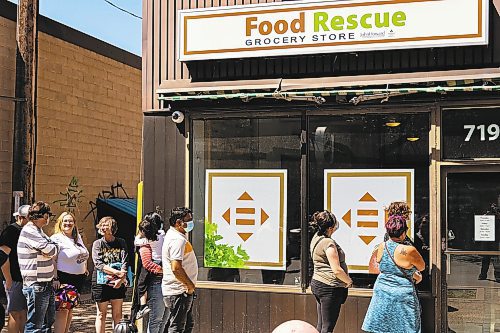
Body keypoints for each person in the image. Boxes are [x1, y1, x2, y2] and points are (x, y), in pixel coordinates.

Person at [362, 215, 426, 333]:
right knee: (405, 328)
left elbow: (383, 265)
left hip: (382, 292)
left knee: (383, 327)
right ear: (403, 232)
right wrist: (413, 273)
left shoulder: (382, 246)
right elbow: (421, 267)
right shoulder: (408, 250)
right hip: (402, 294)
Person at [17, 201, 59, 333]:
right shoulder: (30, 230)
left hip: (46, 282)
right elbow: (51, 250)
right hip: (36, 283)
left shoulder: (39, 231)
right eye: (47, 215)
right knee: (35, 326)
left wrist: (47, 250)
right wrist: (48, 250)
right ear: (45, 216)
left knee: (47, 323)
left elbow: (55, 248)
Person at [309, 210, 352, 333]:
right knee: (327, 327)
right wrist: (348, 281)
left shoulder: (316, 237)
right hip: (329, 287)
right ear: (330, 228)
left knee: (321, 324)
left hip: (318, 282)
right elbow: (336, 270)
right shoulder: (328, 243)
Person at [50, 212, 89, 333]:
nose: (68, 223)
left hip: (78, 280)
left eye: (70, 221)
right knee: (62, 311)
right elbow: (52, 259)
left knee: (70, 310)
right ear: (60, 223)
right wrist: (55, 278)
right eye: (65, 221)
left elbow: (83, 254)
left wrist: (85, 268)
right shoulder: (56, 238)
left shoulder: (77, 237)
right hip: (64, 278)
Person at [162, 207, 198, 333]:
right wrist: (189, 286)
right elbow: (176, 267)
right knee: (177, 327)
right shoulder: (177, 240)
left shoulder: (175, 235)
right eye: (188, 220)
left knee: (186, 324)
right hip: (179, 291)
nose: (191, 223)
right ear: (178, 223)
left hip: (181, 291)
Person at [91, 216, 129, 333]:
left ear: (112, 227)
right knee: (101, 314)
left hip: (118, 281)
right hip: (101, 281)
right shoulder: (97, 243)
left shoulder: (121, 242)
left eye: (106, 225)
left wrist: (121, 278)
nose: (103, 227)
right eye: (101, 225)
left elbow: (125, 261)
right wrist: (116, 273)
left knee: (118, 314)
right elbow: (98, 264)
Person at [135, 213, 168, 333]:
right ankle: (143, 306)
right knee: (157, 319)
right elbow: (147, 263)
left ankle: (143, 306)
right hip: (157, 279)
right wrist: (164, 270)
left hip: (164, 279)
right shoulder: (161, 236)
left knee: (163, 318)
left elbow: (136, 240)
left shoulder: (145, 241)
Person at [0, 205, 30, 333]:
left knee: (24, 313)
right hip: (14, 278)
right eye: (28, 218)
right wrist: (8, 279)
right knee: (14, 313)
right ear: (20, 217)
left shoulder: (29, 231)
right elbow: (3, 257)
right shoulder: (10, 231)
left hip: (27, 278)